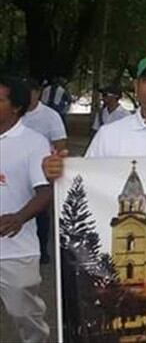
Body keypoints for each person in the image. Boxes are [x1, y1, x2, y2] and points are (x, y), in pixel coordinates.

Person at [0, 76, 53, 343]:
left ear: (16, 106)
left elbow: (45, 191)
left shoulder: (33, 143)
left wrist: (19, 217)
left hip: (15, 248)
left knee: (25, 314)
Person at [21, 78, 66, 264]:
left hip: (41, 170)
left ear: (38, 93)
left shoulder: (50, 116)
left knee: (40, 210)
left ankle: (42, 248)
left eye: (30, 92)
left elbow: (61, 145)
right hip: (17, 170)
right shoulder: (15, 113)